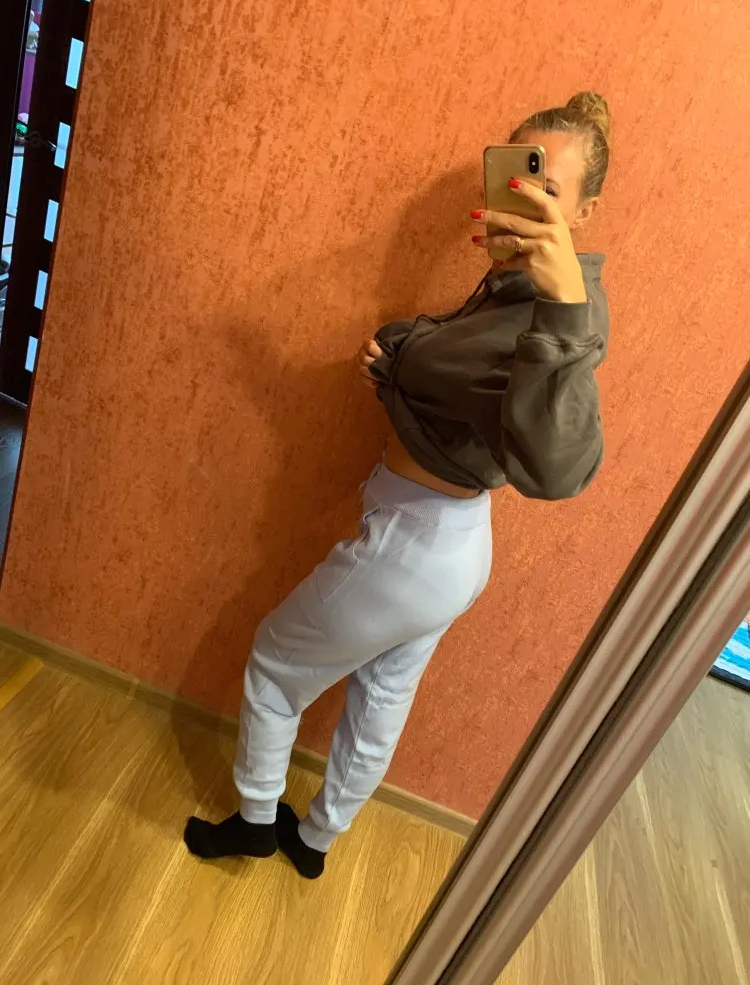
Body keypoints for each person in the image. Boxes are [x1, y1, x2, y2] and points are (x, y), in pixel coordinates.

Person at [184, 91, 611, 879]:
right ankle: (316, 840)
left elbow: (559, 468)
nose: (524, 203)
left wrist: (561, 310)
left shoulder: (563, 314)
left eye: (548, 190)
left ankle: (254, 822)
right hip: (450, 548)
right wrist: (395, 360)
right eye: (515, 177)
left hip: (416, 546)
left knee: (275, 664)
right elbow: (453, 369)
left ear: (584, 212)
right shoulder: (508, 290)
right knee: (381, 695)